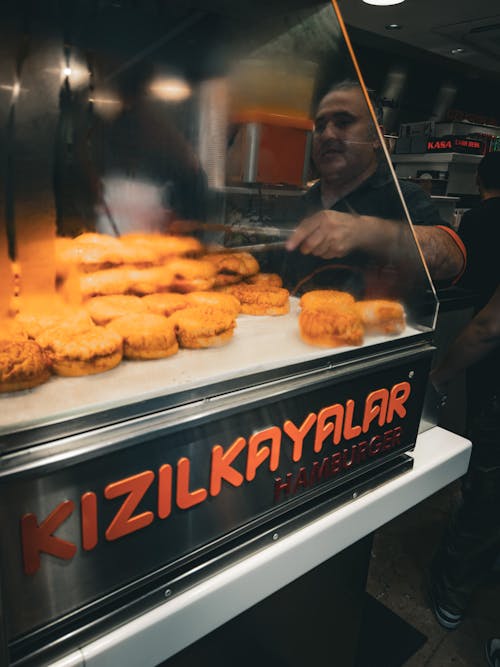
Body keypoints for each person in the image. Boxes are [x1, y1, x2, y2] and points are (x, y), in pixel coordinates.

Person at [285, 80, 465, 288]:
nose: (327, 134)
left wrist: (364, 230)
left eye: (343, 122)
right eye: (320, 126)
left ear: (376, 137)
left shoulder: (402, 196)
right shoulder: (302, 200)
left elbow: (451, 258)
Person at [428, 151, 500, 631]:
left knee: (486, 491)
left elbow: (489, 326)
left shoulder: (478, 218)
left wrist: (438, 376)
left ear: (478, 179)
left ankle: (452, 597)